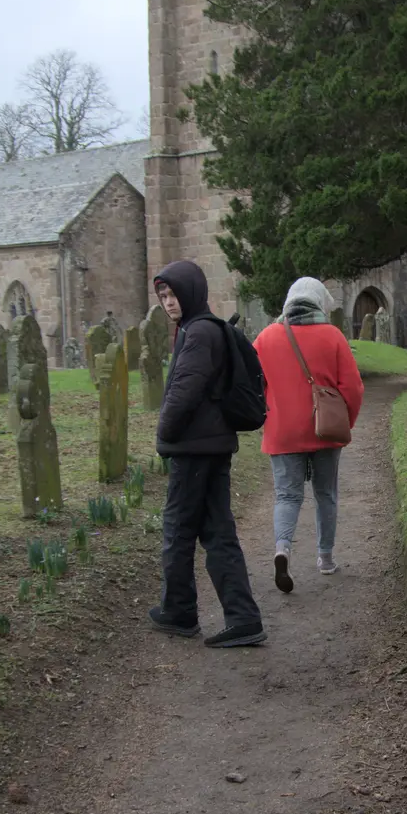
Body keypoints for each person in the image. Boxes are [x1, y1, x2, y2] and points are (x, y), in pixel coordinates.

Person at [148, 259, 265, 647]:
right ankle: (243, 617)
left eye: (173, 293)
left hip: (195, 449)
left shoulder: (198, 333)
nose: (168, 302)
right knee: (217, 531)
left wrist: (164, 434)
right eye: (162, 295)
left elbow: (185, 389)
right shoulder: (203, 328)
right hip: (212, 444)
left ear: (191, 292)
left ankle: (179, 610)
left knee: (179, 528)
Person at [253, 277, 363, 592]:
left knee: (287, 495)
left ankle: (282, 549)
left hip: (283, 431)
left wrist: (267, 415)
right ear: (318, 302)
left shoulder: (266, 338)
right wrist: (346, 422)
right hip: (326, 429)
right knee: (325, 494)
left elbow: (252, 385)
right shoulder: (333, 336)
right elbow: (353, 388)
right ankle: (325, 558)